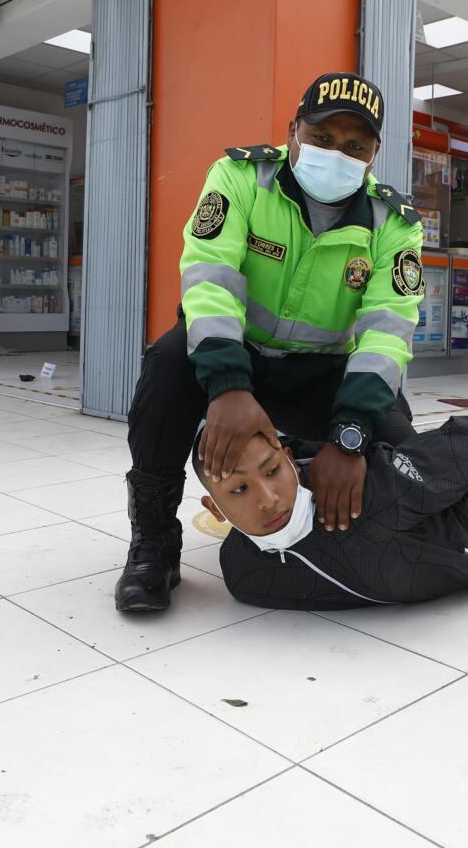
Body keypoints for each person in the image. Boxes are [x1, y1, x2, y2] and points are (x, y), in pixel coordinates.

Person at [117, 72, 425, 613]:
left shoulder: (393, 224)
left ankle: (338, 533)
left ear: (374, 154)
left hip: (323, 370)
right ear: (293, 131)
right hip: (238, 356)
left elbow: (388, 330)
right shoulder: (239, 178)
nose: (337, 153)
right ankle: (154, 544)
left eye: (355, 145)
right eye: (323, 137)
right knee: (167, 364)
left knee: (397, 449)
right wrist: (228, 385)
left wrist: (350, 436)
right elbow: (209, 280)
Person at [201, 409, 468, 609]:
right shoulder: (240, 569)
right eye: (238, 489)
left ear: (288, 458)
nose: (267, 498)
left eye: (272, 471)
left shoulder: (365, 497)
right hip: (441, 493)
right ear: (214, 508)